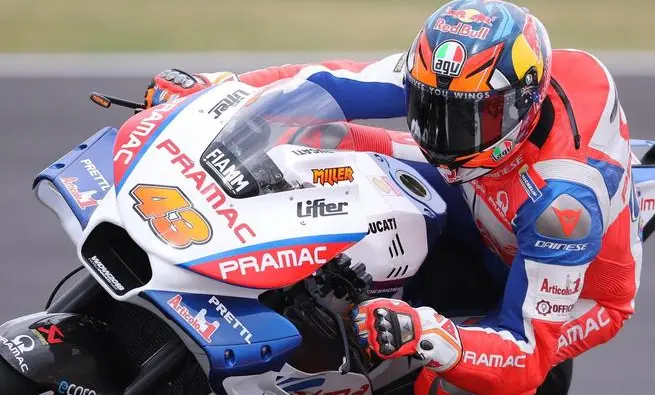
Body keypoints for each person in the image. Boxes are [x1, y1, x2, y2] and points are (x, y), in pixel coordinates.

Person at [141, 1, 642, 394]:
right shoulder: (457, 78)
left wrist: (431, 335)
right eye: (431, 108)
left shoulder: (564, 204)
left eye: (470, 119)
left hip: (578, 289)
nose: (445, 132)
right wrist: (224, 91)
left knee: (442, 378)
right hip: (484, 185)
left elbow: (526, 351)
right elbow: (331, 81)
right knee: (319, 141)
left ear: (522, 105)